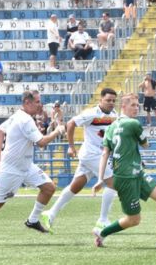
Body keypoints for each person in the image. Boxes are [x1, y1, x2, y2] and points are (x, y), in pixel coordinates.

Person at [0, 91, 65, 245]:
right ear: (27, 102)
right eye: (37, 102)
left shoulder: (18, 115)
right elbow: (42, 143)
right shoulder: (24, 120)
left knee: (49, 188)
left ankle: (32, 220)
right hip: (12, 168)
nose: (40, 105)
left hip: (26, 165)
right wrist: (58, 131)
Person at [91, 93, 156, 248]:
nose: (136, 108)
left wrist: (101, 179)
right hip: (126, 178)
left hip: (136, 173)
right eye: (133, 105)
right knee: (134, 219)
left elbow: (105, 153)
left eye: (137, 105)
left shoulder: (111, 127)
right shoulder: (133, 124)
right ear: (123, 106)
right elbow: (145, 145)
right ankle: (102, 232)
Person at [40, 88, 118, 232]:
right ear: (100, 100)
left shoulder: (114, 115)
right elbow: (70, 123)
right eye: (108, 100)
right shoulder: (91, 113)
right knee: (113, 183)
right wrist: (71, 147)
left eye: (113, 101)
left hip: (96, 155)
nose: (111, 103)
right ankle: (103, 220)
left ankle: (50, 213)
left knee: (76, 186)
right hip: (92, 155)